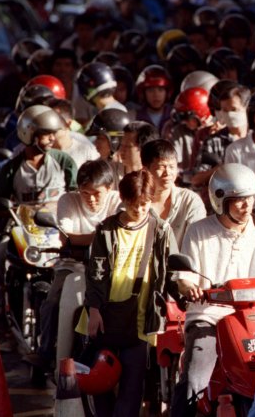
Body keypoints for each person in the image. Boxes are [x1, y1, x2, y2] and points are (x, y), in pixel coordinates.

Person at [172, 164, 255, 417]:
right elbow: (184, 278)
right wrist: (190, 287)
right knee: (196, 375)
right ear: (220, 200)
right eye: (238, 200)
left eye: (250, 198)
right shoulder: (199, 230)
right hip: (209, 315)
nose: (246, 206)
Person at [78, 170, 177, 417]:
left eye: (144, 204)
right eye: (133, 205)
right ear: (122, 198)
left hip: (141, 320)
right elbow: (97, 273)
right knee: (99, 381)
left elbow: (172, 269)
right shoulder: (106, 229)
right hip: (103, 316)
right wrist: (94, 309)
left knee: (133, 388)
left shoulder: (161, 230)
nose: (140, 210)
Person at [23, 160, 121, 371]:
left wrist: (84, 239)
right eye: (85, 193)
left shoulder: (118, 202)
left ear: (109, 188)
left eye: (97, 194)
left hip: (110, 269)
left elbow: (119, 235)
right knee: (52, 301)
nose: (92, 199)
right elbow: (66, 238)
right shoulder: (68, 200)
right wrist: (101, 236)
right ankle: (45, 351)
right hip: (71, 265)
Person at [0, 105, 78, 334]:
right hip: (23, 230)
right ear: (29, 134)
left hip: (55, 228)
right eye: (46, 134)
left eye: (52, 133)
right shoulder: (12, 168)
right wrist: (13, 209)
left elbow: (77, 193)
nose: (51, 139)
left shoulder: (64, 161)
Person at [141, 140, 206, 246]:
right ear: (145, 170)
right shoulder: (136, 202)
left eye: (172, 167)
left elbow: (197, 243)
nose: (167, 173)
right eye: (160, 167)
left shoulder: (189, 201)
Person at [133, 65, 173, 133]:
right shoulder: (134, 117)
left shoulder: (173, 116)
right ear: (143, 93)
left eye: (160, 90)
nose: (156, 95)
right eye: (150, 90)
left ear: (167, 92)